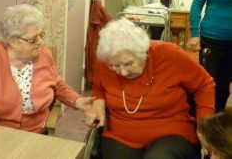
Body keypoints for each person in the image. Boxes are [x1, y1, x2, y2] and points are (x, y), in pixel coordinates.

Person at [84, 18, 215, 159]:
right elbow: (99, 87)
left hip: (171, 131)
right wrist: (98, 101)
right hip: (120, 134)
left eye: (128, 64)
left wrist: (204, 125)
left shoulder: (170, 55)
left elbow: (204, 84)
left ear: (144, 52)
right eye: (115, 66)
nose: (123, 72)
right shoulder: (107, 59)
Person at [0, 4, 93, 133]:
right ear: (13, 41)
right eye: (34, 39)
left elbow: (57, 85)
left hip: (36, 132)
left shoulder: (44, 54)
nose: (40, 42)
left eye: (41, 35)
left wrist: (78, 101)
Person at [187, 0, 232, 113]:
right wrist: (194, 33)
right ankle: (199, 118)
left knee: (224, 84)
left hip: (231, 43)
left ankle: (217, 121)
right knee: (207, 82)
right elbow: (197, 4)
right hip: (212, 39)